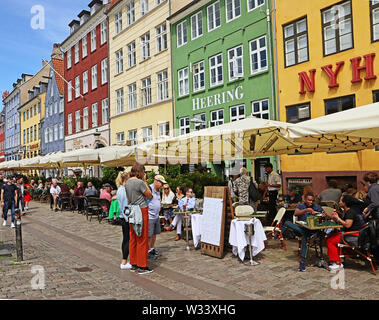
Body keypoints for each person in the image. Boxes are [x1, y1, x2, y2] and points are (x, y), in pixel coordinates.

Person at [281, 193, 325, 272]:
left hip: (313, 229)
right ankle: (302, 263)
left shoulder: (317, 207)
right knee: (300, 231)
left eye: (312, 200)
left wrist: (323, 215)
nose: (311, 202)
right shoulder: (301, 206)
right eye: (309, 200)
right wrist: (306, 210)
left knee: (302, 234)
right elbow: (296, 213)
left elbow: (323, 214)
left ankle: (302, 263)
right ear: (305, 199)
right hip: (302, 228)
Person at [125, 163, 153, 274]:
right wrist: (145, 181)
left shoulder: (127, 182)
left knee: (133, 237)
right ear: (141, 172)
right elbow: (149, 195)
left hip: (132, 209)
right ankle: (142, 265)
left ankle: (134, 263)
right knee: (142, 237)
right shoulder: (140, 182)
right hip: (141, 209)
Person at [326, 195, 364, 271]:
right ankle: (339, 258)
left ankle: (337, 263)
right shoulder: (347, 211)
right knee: (331, 236)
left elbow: (347, 224)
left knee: (330, 240)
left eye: (340, 201)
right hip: (349, 233)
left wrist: (338, 218)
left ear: (345, 203)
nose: (339, 202)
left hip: (352, 235)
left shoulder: (350, 212)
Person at [148, 175, 167, 259]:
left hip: (156, 215)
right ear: (156, 181)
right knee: (149, 234)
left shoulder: (159, 191)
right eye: (161, 183)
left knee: (154, 234)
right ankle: (148, 251)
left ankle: (152, 248)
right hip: (149, 216)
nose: (162, 185)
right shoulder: (149, 189)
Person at [116, 172, 132, 270]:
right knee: (127, 239)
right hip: (126, 217)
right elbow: (126, 207)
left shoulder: (119, 190)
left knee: (126, 238)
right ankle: (124, 260)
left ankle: (125, 260)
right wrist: (129, 218)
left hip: (123, 216)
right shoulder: (124, 190)